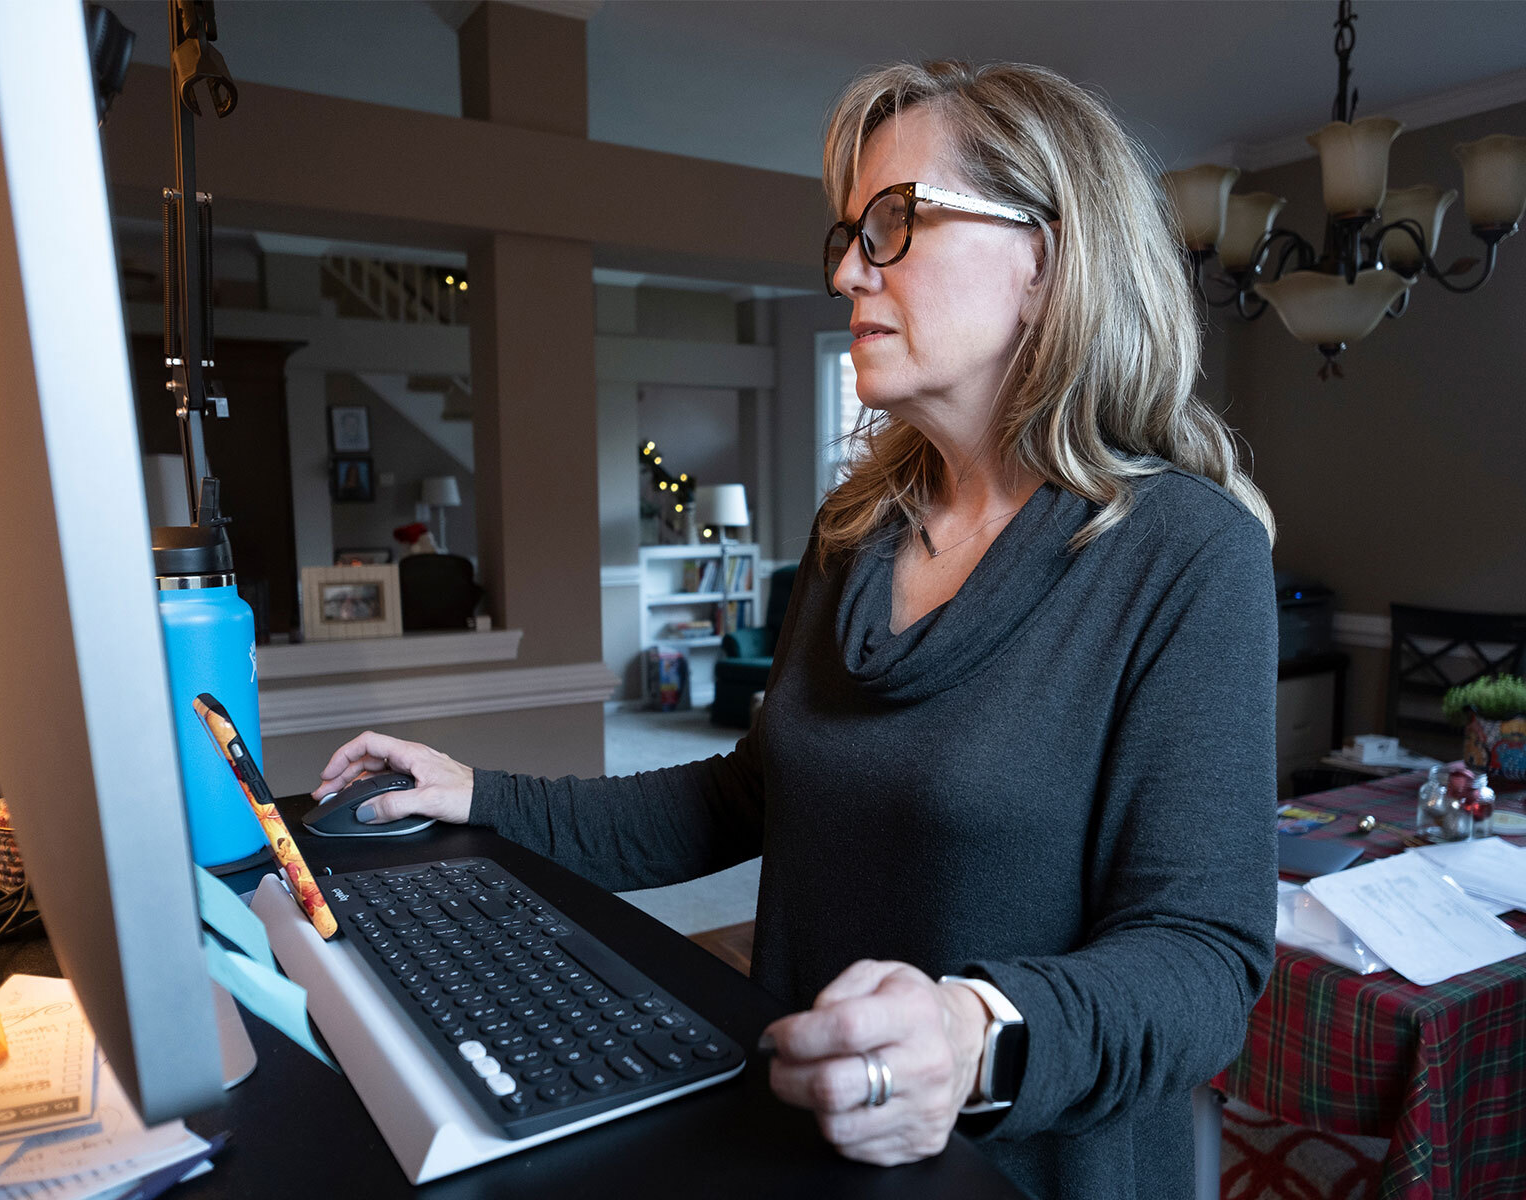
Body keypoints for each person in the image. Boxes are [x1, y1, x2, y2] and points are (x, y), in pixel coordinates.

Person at [312, 60, 1278, 1200]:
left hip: (1022, 1175)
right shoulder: (854, 533)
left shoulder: (1184, 553)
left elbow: (1203, 962)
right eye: (845, 233)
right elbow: (747, 797)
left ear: (1046, 260)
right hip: (806, 1148)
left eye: (892, 223)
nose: (841, 269)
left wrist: (972, 1033)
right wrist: (478, 795)